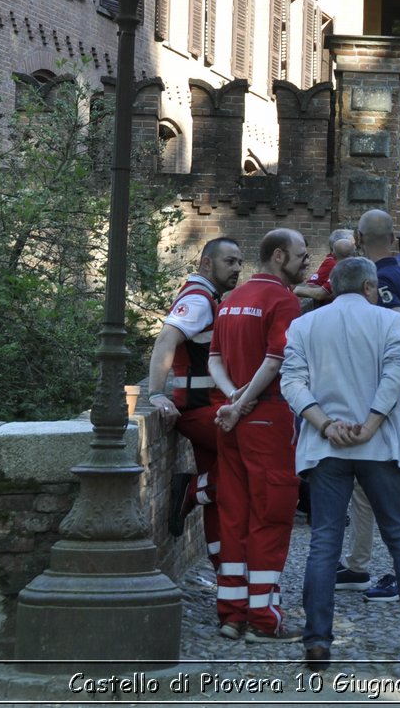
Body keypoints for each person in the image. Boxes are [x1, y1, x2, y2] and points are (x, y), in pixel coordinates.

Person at [280, 256, 400, 671]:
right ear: (371, 287)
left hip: (326, 446)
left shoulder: (304, 325)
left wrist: (324, 422)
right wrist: (371, 423)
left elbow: (292, 382)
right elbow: (395, 375)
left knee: (323, 544)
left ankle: (317, 641)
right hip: (378, 445)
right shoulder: (389, 323)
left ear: (333, 287)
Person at [207, 228, 310, 642]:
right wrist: (245, 402)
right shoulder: (283, 301)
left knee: (233, 513)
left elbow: (213, 358)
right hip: (265, 417)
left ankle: (231, 614)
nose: (308, 263)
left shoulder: (232, 299)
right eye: (302, 256)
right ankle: (264, 619)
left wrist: (231, 399)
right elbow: (274, 361)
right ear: (280, 256)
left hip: (229, 418)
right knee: (271, 514)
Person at [339, 209, 400, 603]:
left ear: (360, 238)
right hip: (388, 390)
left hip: (376, 393)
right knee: (367, 488)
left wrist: (389, 371)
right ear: (393, 238)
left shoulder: (378, 280)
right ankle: (357, 565)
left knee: (386, 489)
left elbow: (395, 321)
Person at [148, 237, 243, 562]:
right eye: (230, 261)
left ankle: (224, 568)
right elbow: (165, 339)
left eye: (239, 262)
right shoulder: (200, 299)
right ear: (206, 263)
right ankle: (190, 490)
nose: (237, 269)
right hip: (201, 411)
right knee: (251, 463)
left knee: (218, 494)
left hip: (208, 408)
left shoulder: (209, 297)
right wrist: (155, 394)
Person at [296, 230, 354, 310]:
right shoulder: (332, 263)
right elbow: (314, 285)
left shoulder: (341, 264)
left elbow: (321, 292)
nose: (354, 246)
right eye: (351, 243)